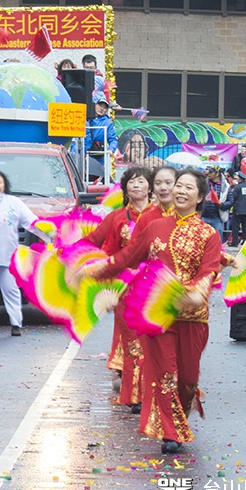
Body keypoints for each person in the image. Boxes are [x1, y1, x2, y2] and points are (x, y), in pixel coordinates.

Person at [86, 169, 222, 455]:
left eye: (188, 188)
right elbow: (127, 257)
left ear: (200, 197)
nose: (181, 191)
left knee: (187, 379)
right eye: (179, 186)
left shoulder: (209, 234)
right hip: (156, 314)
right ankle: (171, 433)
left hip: (192, 316)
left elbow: (209, 270)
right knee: (165, 374)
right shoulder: (155, 227)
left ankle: (179, 417)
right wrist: (95, 270)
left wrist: (196, 293)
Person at [79, 166, 153, 414]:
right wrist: (69, 250)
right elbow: (97, 242)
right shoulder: (117, 217)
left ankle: (152, 390)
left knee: (154, 340)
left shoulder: (162, 214)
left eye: (141, 181)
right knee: (133, 342)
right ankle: (136, 395)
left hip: (156, 285)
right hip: (125, 286)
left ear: (150, 187)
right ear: (125, 189)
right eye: (131, 182)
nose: (136, 186)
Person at [0, 171, 50, 337]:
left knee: (11, 289)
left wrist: (49, 236)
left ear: (4, 185)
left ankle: (15, 323)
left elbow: (31, 222)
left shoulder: (14, 203)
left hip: (8, 254)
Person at [222, 171, 246, 248]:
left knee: (235, 227)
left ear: (240, 179)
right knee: (245, 227)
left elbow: (233, 198)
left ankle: (234, 242)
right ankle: (245, 242)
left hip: (238, 209)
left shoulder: (237, 187)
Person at [200, 165, 230, 241]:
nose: (208, 174)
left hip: (217, 218)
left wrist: (222, 205)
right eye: (208, 172)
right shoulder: (204, 184)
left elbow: (231, 201)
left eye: (211, 172)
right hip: (204, 216)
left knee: (217, 240)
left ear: (217, 174)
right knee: (202, 240)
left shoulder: (225, 186)